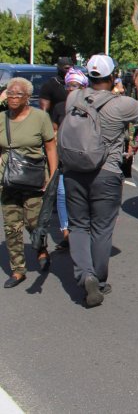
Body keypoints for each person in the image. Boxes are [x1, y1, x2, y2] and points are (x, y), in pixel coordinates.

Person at [63, 55, 138, 307]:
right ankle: (99, 280)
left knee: (79, 225)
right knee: (102, 228)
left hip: (73, 171)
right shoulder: (120, 104)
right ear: (113, 77)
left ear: (89, 76)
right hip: (106, 172)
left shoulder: (73, 98)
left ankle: (85, 274)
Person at [0, 77, 58, 288]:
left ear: (27, 98)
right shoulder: (1, 118)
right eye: (10, 93)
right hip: (7, 181)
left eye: (18, 94)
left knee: (34, 223)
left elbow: (50, 148)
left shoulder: (40, 117)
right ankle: (18, 270)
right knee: (11, 227)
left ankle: (41, 248)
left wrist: (52, 177)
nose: (13, 98)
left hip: (34, 180)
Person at [49, 68, 89, 251]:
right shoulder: (59, 108)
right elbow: (53, 133)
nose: (72, 88)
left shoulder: (90, 107)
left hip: (84, 160)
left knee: (84, 198)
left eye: (76, 85)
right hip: (63, 160)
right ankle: (66, 233)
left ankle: (83, 232)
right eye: (69, 85)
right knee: (62, 194)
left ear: (84, 87)